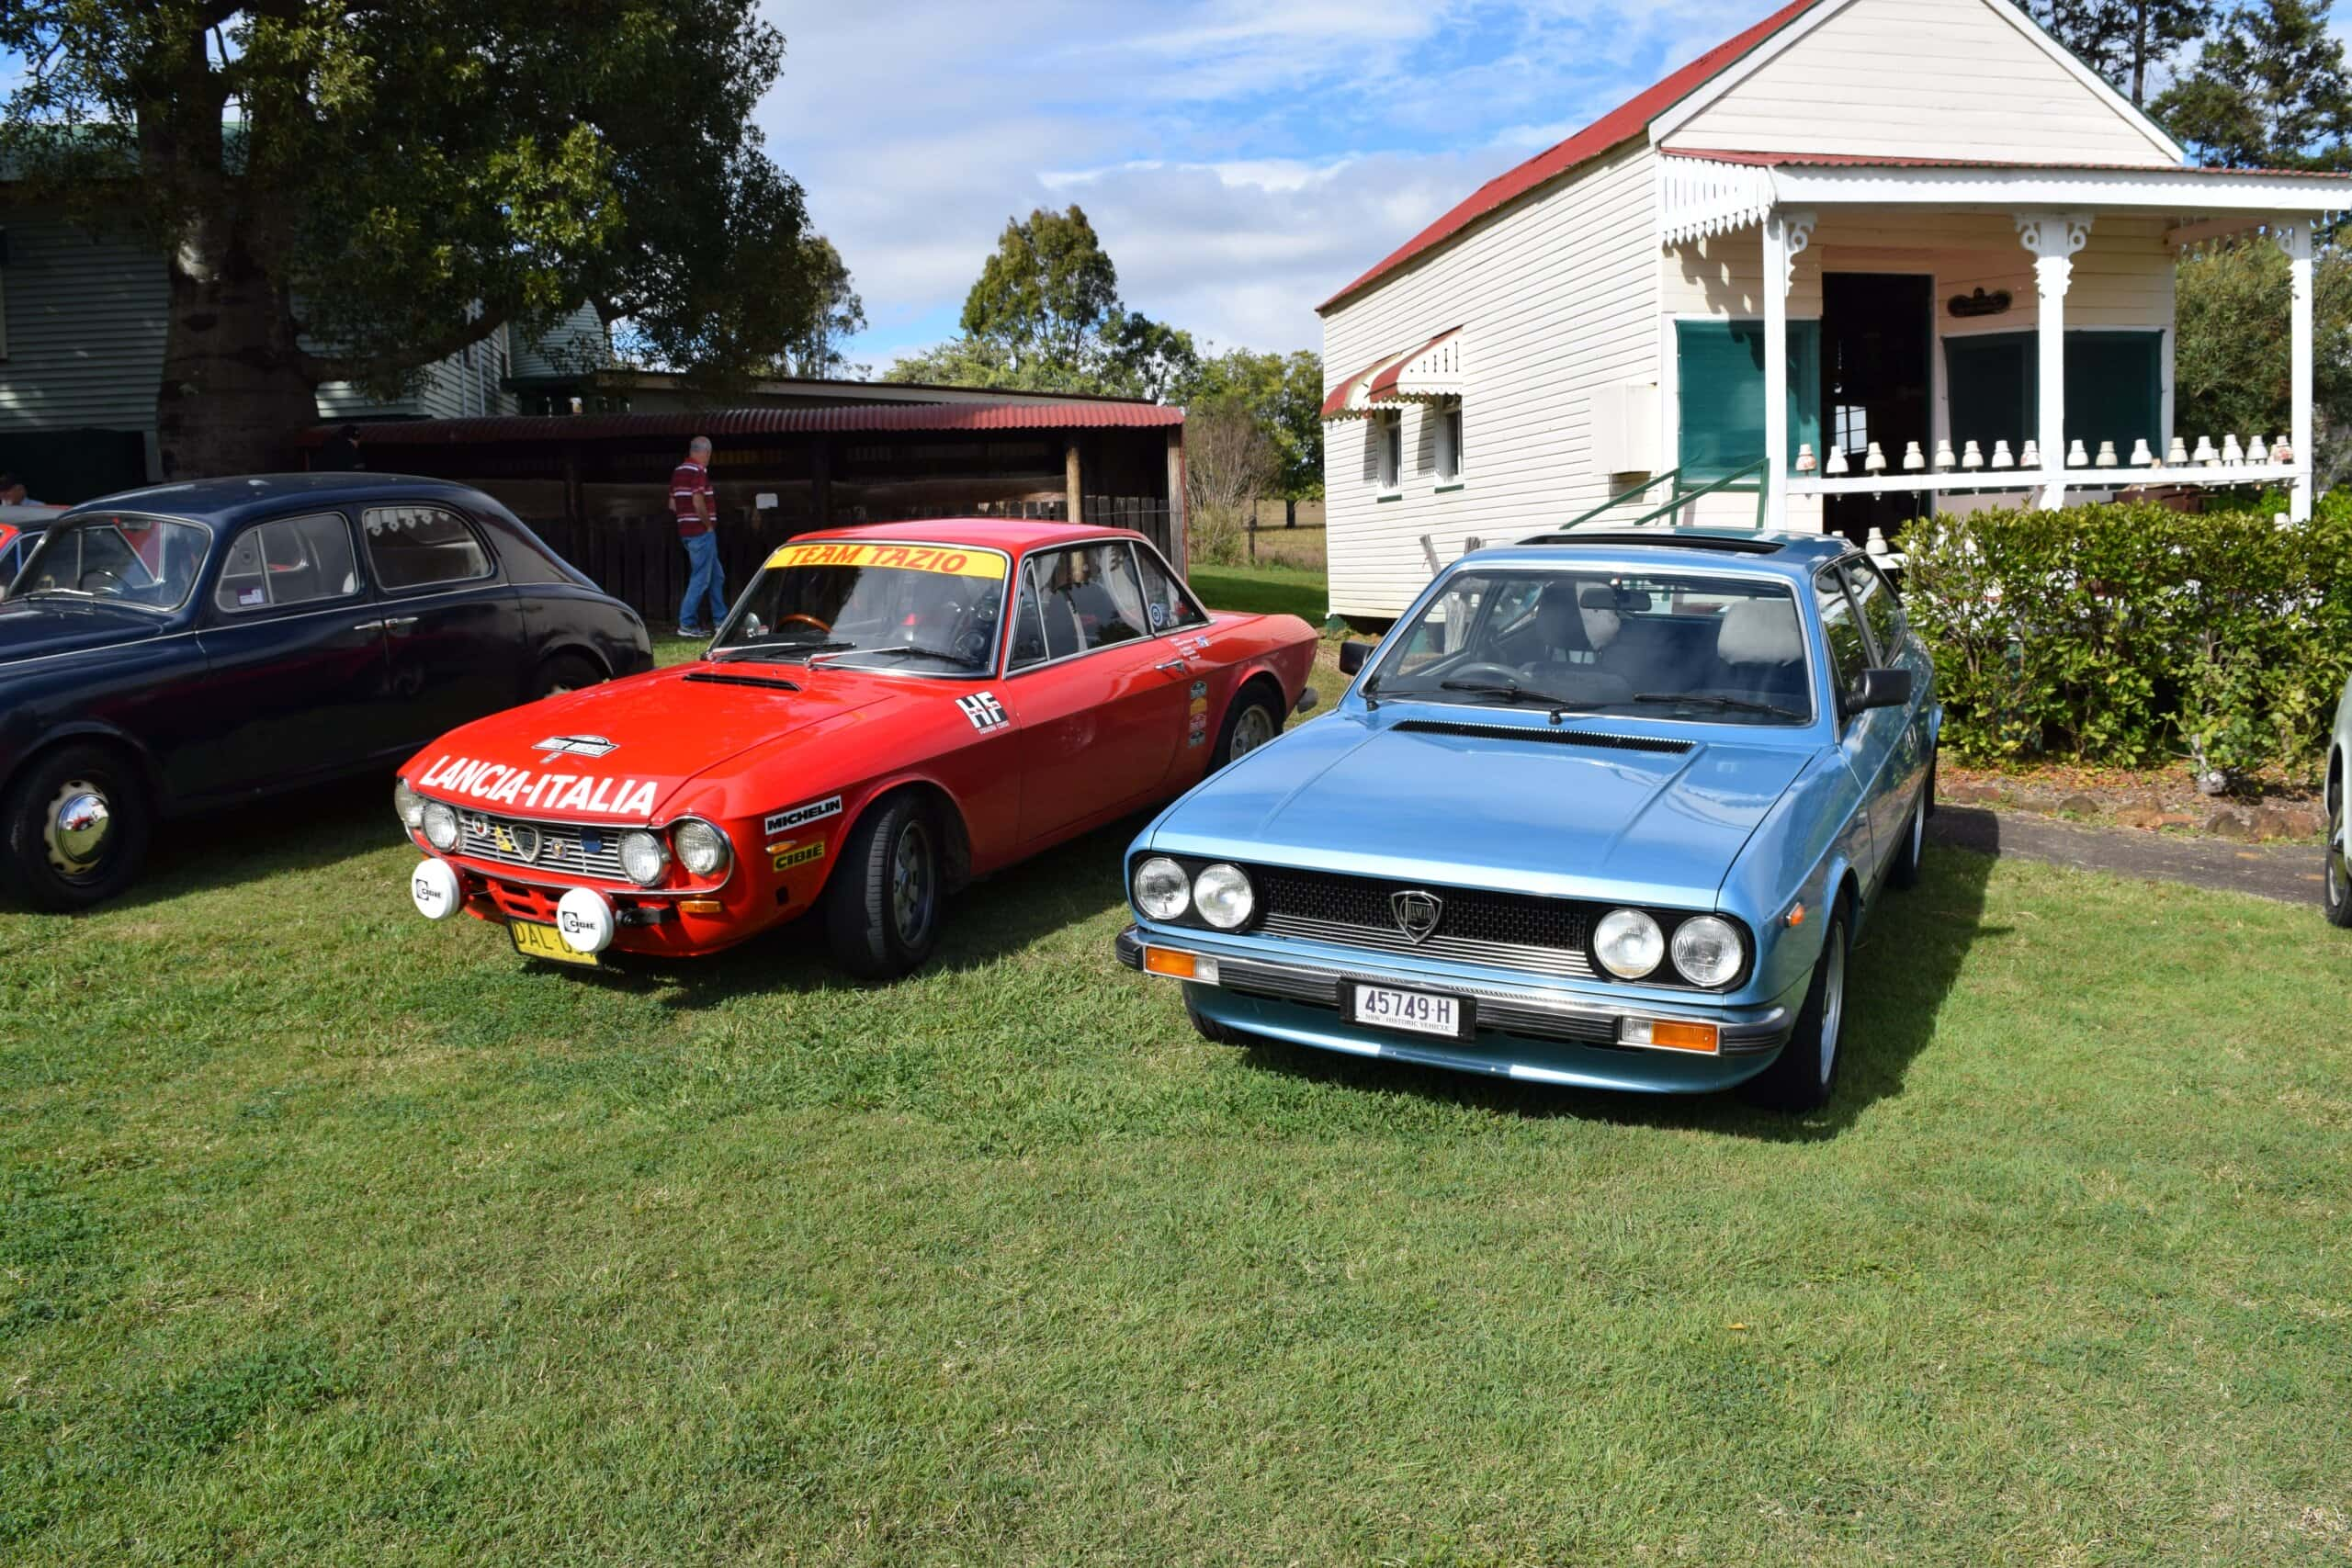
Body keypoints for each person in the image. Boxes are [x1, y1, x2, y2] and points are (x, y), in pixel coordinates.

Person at [672, 435, 725, 637]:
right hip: (701, 533)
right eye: (709, 454)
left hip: (685, 532)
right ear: (705, 452)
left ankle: (721, 621)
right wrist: (708, 525)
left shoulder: (678, 472)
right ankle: (687, 624)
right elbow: (697, 500)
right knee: (701, 579)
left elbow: (672, 504)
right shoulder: (699, 471)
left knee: (716, 576)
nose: (709, 458)